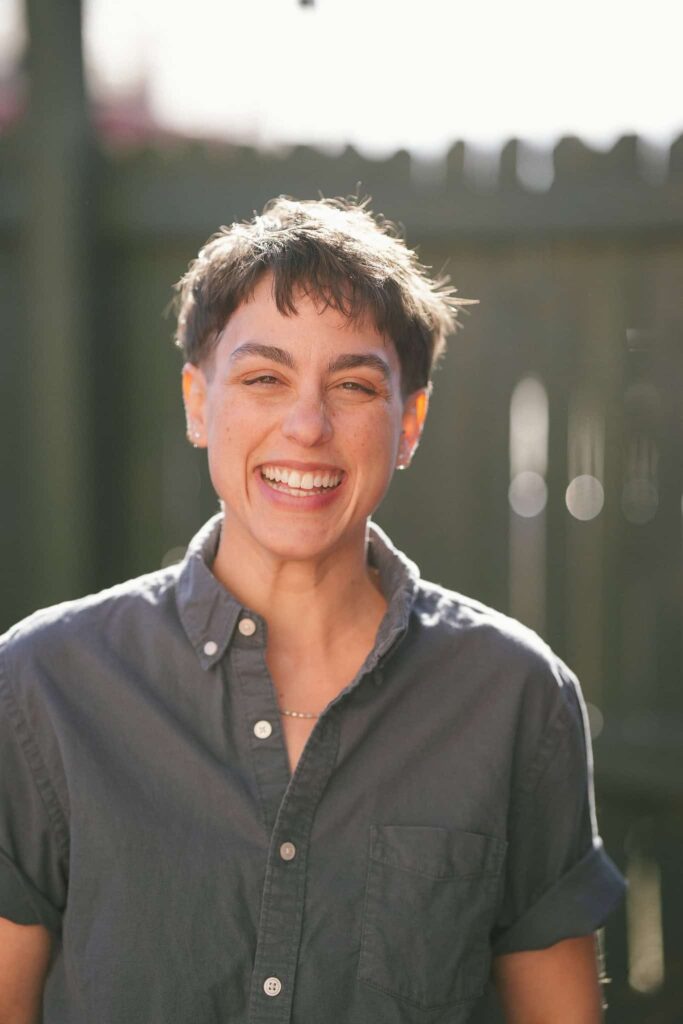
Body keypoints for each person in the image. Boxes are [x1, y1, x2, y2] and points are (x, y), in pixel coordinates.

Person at [0, 196, 624, 1024]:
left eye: (353, 386)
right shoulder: (41, 686)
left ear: (409, 423)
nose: (306, 426)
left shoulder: (516, 697)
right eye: (263, 378)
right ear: (198, 402)